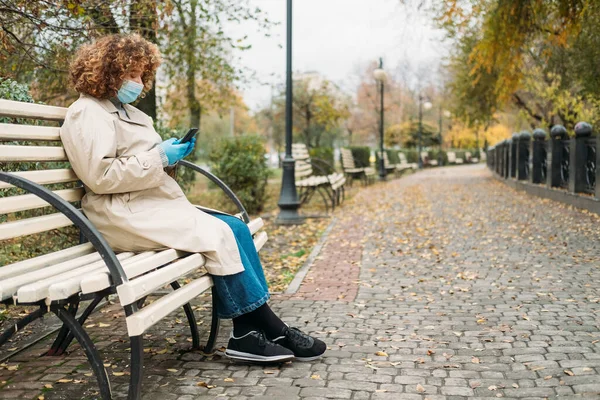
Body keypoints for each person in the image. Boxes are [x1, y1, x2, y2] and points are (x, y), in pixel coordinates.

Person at [59, 33, 326, 363]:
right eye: (133, 74)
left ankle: (257, 330)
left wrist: (170, 157)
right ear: (111, 71)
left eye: (143, 75)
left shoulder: (128, 113)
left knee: (236, 228)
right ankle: (261, 331)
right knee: (217, 233)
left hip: (146, 205)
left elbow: (141, 165)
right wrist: (160, 157)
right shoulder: (86, 112)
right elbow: (99, 177)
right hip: (116, 213)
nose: (140, 83)